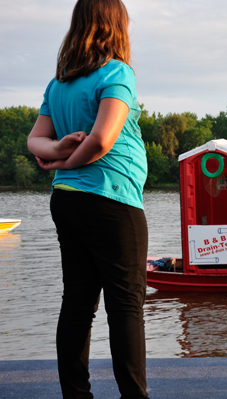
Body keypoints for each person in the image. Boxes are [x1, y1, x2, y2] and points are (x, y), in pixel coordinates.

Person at [27, 1, 149, 397]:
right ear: (117, 26)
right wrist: (67, 158)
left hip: (67, 201)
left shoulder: (59, 82)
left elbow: (35, 141)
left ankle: (76, 396)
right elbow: (100, 140)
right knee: (125, 306)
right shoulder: (117, 72)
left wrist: (57, 154)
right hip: (112, 199)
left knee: (78, 302)